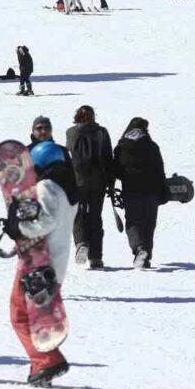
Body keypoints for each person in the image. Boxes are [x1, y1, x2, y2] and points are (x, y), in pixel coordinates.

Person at [1, 140, 78, 386]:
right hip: (54, 262)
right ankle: (40, 366)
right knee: (36, 317)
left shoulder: (46, 187)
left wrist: (17, 226)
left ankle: (47, 360)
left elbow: (44, 224)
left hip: (38, 262)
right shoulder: (69, 190)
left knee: (20, 315)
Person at [113, 116, 169, 268]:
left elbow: (116, 170)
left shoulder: (121, 147)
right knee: (149, 224)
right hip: (152, 192)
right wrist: (164, 192)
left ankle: (139, 248)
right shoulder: (152, 147)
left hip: (131, 191)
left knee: (133, 223)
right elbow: (159, 170)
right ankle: (146, 256)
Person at [66, 105, 113, 269]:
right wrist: (111, 182)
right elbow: (108, 157)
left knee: (77, 214)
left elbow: (70, 152)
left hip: (78, 181)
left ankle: (81, 243)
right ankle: (96, 257)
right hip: (98, 181)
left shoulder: (71, 132)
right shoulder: (102, 132)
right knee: (95, 217)